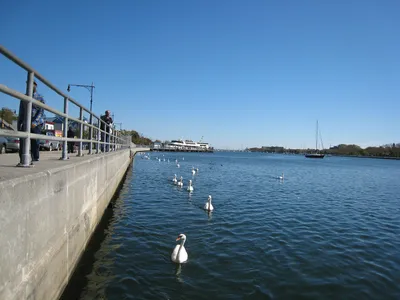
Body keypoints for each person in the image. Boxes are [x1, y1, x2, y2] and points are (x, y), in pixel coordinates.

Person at [17, 80, 45, 166]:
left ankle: (35, 158)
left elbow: (41, 111)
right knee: (23, 140)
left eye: (31, 84)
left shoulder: (40, 97)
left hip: (36, 123)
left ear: (35, 85)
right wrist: (19, 123)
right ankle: (23, 159)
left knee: (35, 141)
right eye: (27, 84)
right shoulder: (24, 97)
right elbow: (21, 111)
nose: (29, 86)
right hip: (26, 121)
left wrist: (35, 122)